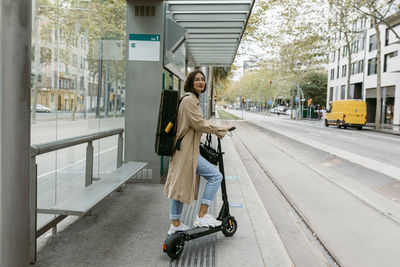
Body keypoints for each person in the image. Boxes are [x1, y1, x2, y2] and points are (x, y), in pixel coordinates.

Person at [164, 70, 232, 235]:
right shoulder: (189, 100)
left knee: (180, 185)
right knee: (216, 176)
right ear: (190, 82)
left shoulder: (192, 99)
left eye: (203, 79)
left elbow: (198, 123)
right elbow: (199, 124)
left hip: (187, 151)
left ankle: (175, 223)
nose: (201, 82)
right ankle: (201, 215)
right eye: (197, 80)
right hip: (186, 152)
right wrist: (220, 129)